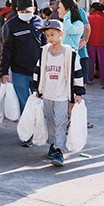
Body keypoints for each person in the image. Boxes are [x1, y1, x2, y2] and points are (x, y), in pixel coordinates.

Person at [30, 19, 85, 167]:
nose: (50, 38)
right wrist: (36, 88)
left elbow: (77, 73)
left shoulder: (69, 53)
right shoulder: (44, 52)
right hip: (47, 94)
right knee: (50, 122)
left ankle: (59, 150)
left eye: (52, 34)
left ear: (61, 34)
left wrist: (78, 92)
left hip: (62, 95)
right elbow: (38, 71)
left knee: (61, 122)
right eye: (47, 35)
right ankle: (53, 145)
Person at [0, 0, 45, 122]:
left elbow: (44, 44)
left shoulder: (39, 21)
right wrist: (4, 72)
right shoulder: (10, 25)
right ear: (17, 10)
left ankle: (38, 126)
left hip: (38, 71)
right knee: (24, 103)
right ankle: (26, 129)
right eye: (22, 12)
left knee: (39, 101)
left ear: (34, 9)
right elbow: (7, 50)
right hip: (19, 72)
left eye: (28, 11)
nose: (25, 14)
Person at [62, 0, 91, 82]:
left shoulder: (61, 13)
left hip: (63, 53)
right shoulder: (80, 11)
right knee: (80, 82)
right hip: (80, 51)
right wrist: (85, 40)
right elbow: (87, 27)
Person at [87, 2, 104, 85]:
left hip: (91, 41)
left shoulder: (89, 18)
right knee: (103, 62)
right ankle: (102, 79)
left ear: (93, 9)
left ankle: (89, 78)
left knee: (90, 61)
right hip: (103, 42)